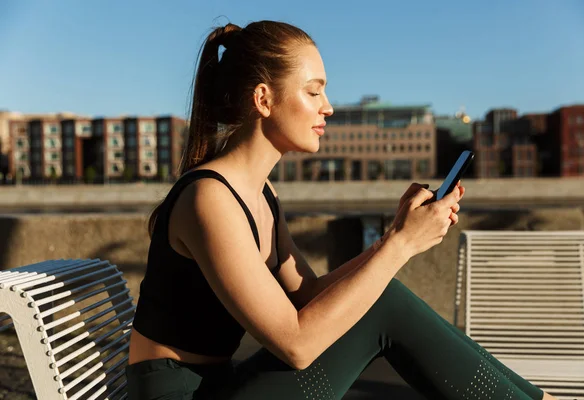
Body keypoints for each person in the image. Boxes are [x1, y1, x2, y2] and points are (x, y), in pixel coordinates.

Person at [126, 20, 558, 400]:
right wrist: (400, 246)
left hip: (219, 386)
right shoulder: (210, 199)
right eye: (313, 91)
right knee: (382, 300)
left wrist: (394, 237)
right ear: (263, 99)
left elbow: (309, 297)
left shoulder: (260, 193)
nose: (327, 106)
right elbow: (296, 344)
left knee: (381, 295)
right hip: (185, 396)